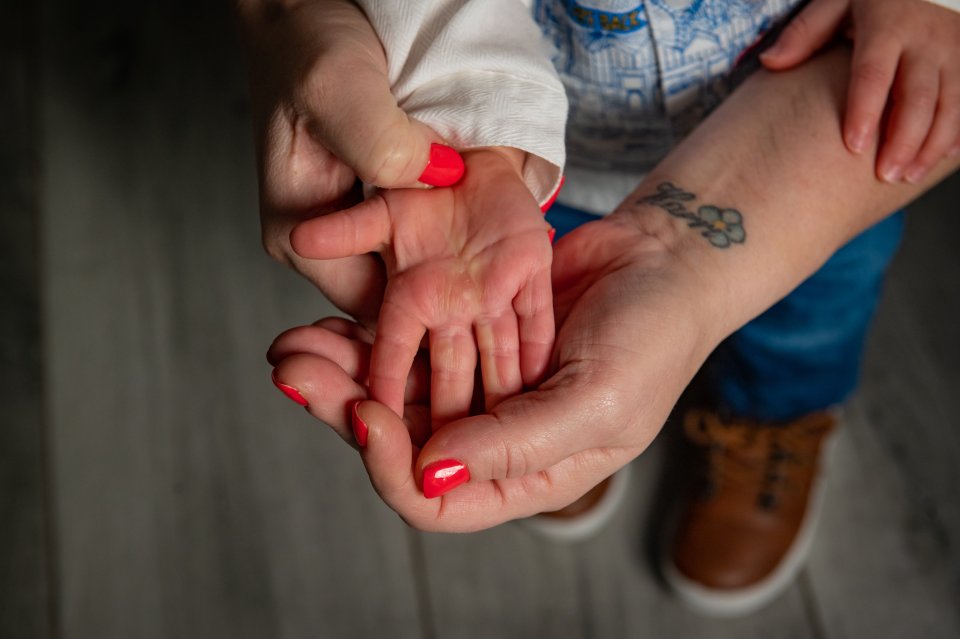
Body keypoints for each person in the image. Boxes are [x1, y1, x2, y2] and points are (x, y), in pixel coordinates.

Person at [238, 0, 960, 617]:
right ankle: (544, 396)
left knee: (807, 324)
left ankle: (771, 417)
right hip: (541, 160)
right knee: (550, 315)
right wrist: (469, 116)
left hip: (820, 137)